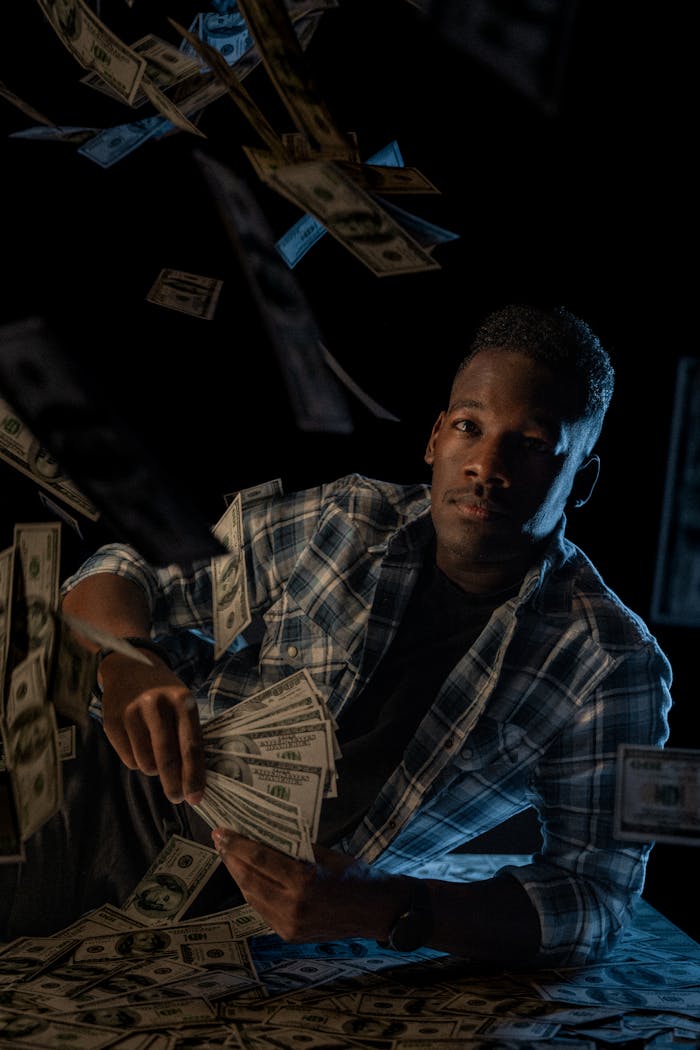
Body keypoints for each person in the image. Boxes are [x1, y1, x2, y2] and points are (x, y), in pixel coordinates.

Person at [0, 304, 672, 970]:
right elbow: (125, 569)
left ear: (582, 479)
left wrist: (389, 909)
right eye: (469, 427)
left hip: (216, 934)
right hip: (72, 797)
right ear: (435, 438)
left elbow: (598, 898)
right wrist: (125, 660)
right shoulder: (344, 518)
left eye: (531, 444)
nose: (485, 466)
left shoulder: (612, 666)